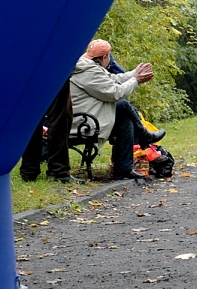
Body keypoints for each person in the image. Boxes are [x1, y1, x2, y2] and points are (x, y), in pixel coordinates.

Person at [70, 39, 166, 181]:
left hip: (89, 116)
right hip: (83, 122)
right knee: (123, 105)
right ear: (104, 57)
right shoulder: (89, 71)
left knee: (125, 120)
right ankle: (144, 136)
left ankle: (124, 169)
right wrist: (136, 80)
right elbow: (115, 93)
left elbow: (113, 79)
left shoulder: (88, 67)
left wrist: (134, 74)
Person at [20, 79, 84, 183]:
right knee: (60, 116)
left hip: (29, 70)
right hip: (54, 68)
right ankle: (58, 171)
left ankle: (29, 170)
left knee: (32, 113)